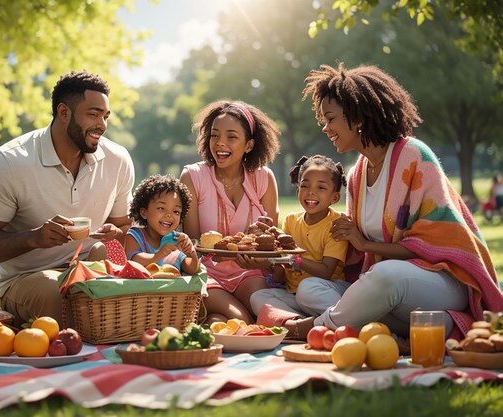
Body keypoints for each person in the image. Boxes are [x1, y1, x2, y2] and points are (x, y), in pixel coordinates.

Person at [277, 62, 503, 343]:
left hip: (442, 279)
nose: (325, 127)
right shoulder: (357, 174)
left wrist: (365, 244)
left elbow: (436, 241)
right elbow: (359, 256)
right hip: (390, 286)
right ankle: (408, 330)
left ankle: (314, 328)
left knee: (385, 276)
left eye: (331, 118)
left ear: (357, 118)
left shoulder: (413, 156)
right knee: (311, 288)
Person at [0, 70, 135, 327]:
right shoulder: (10, 162)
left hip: (89, 268)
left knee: (128, 296)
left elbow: (125, 228)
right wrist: (33, 237)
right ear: (64, 113)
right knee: (61, 297)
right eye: (93, 114)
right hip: (28, 277)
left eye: (105, 116)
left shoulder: (117, 160)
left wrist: (116, 233)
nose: (102, 125)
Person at [180, 100, 281, 324]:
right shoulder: (193, 177)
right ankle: (215, 319)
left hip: (249, 273)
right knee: (242, 320)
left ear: (249, 145)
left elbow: (271, 246)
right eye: (214, 135)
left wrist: (257, 256)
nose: (220, 143)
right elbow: (193, 243)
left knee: (264, 311)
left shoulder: (264, 178)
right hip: (206, 274)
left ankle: (211, 321)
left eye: (231, 137)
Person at [249, 155, 349, 317]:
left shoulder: (336, 224)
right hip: (296, 294)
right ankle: (304, 322)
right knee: (258, 297)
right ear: (298, 191)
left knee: (307, 288)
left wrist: (294, 258)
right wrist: (267, 253)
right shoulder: (290, 221)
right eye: (305, 186)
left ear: (335, 197)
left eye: (321, 188)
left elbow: (326, 272)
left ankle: (341, 317)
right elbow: (281, 273)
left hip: (326, 291)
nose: (311, 192)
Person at [125, 174, 200, 275]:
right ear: (144, 212)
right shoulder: (135, 236)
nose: (169, 215)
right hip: (142, 290)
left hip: (171, 290)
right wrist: (157, 256)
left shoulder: (176, 239)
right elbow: (133, 261)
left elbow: (191, 269)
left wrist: (190, 252)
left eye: (176, 211)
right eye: (161, 208)